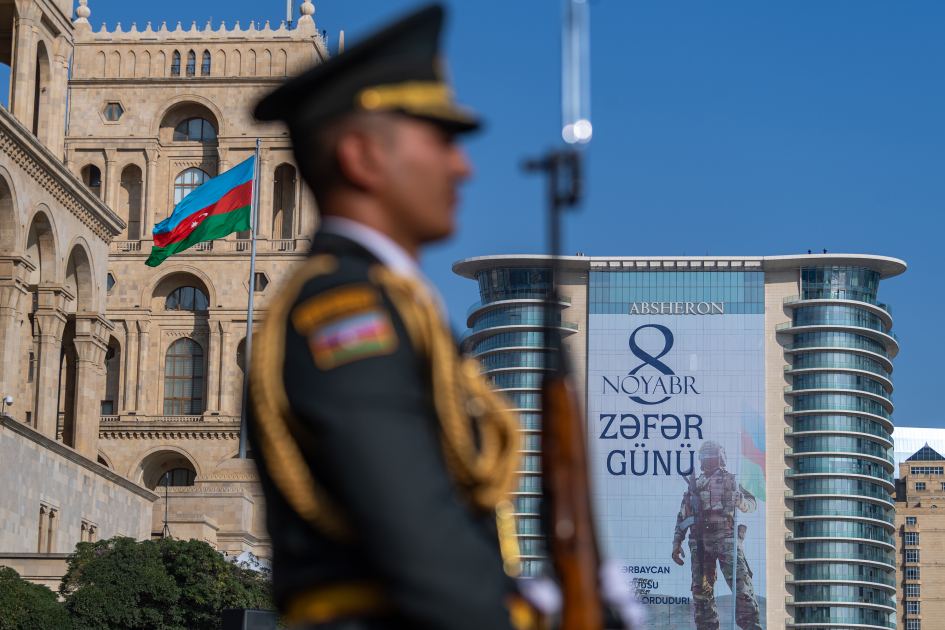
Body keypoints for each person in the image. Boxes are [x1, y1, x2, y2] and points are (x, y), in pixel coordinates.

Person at [248, 5, 535, 630]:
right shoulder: (345, 312)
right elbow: (418, 544)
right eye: (440, 140)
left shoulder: (401, 305)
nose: (464, 166)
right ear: (362, 157)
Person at [671, 441, 762, 630]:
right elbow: (682, 517)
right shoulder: (693, 486)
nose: (707, 458)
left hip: (726, 538)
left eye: (710, 454)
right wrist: (676, 542)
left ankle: (751, 625)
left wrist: (741, 502)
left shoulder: (732, 480)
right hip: (700, 543)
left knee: (742, 587)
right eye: (703, 455)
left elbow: (753, 503)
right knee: (701, 592)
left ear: (720, 456)